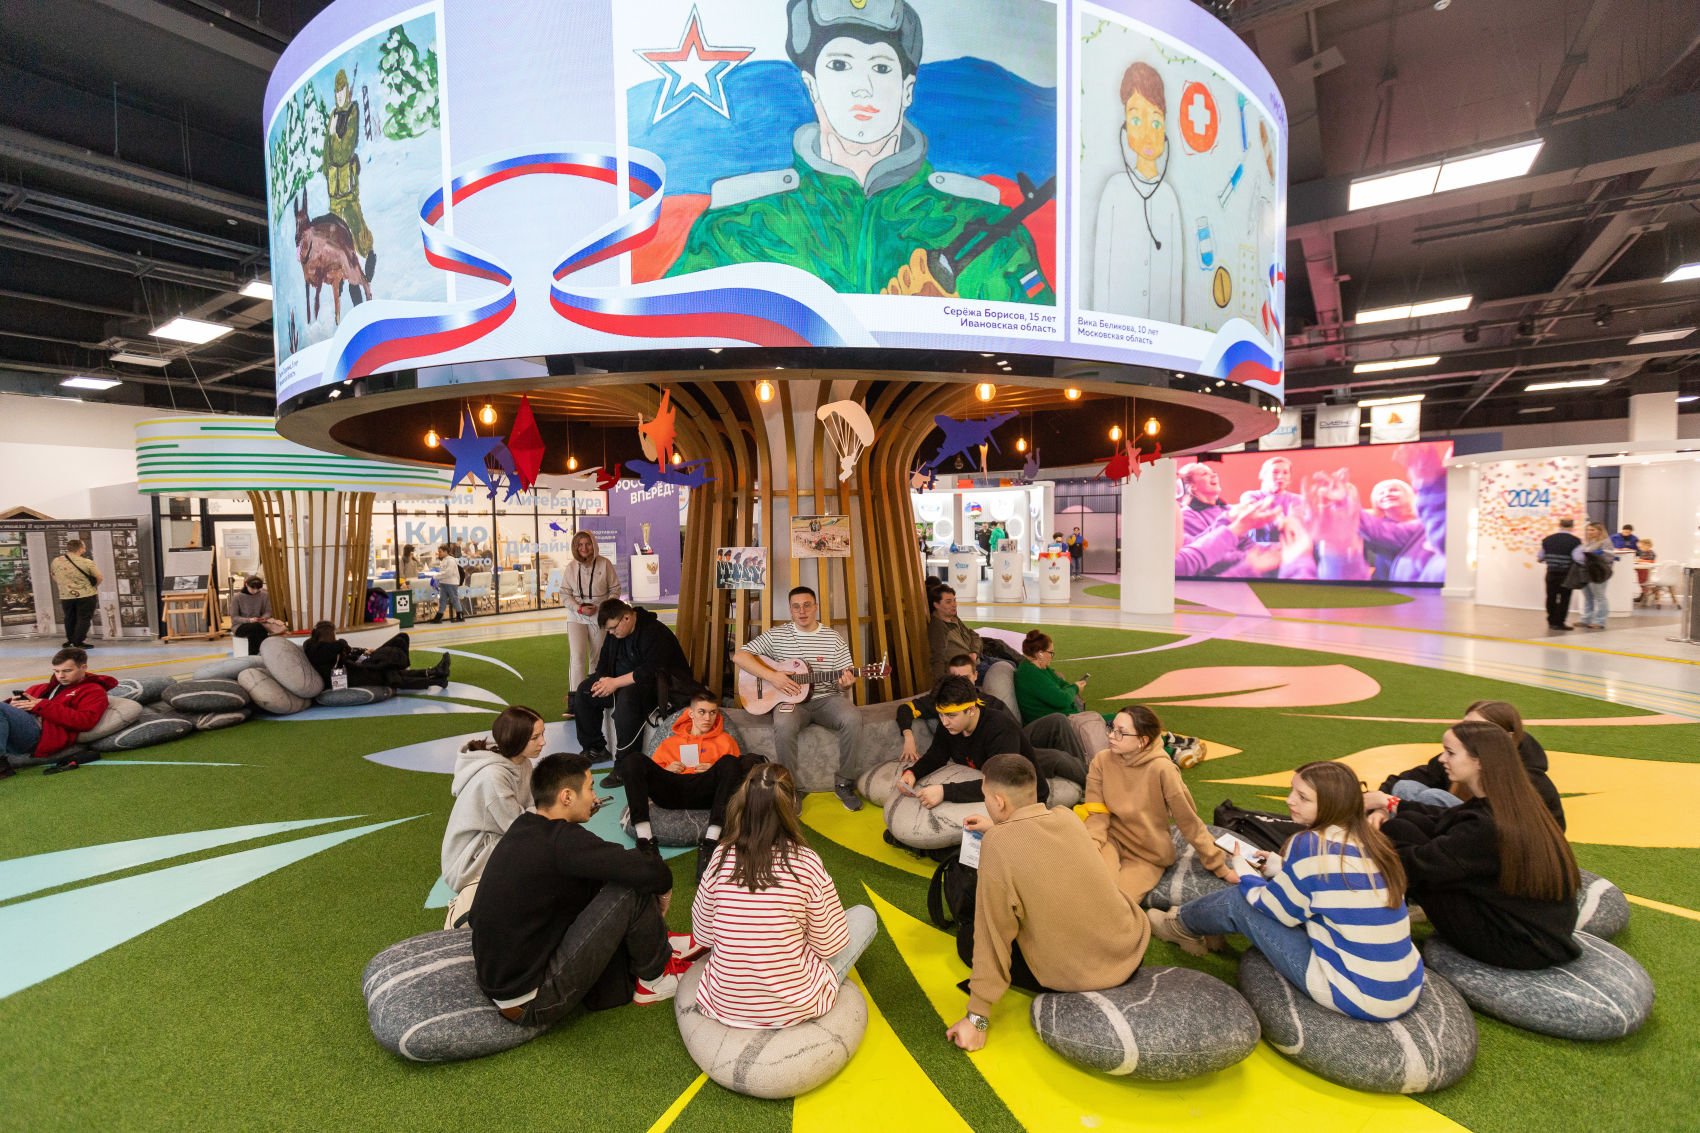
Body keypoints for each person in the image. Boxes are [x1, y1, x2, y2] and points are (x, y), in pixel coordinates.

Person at [666, 0, 1052, 305]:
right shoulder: (740, 226)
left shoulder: (988, 229)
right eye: (840, 64)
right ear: (812, 86)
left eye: (881, 68)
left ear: (907, 91)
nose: (862, 87)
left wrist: (946, 314)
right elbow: (674, 327)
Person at [1149, 762, 1424, 1021]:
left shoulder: (1310, 843)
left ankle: (1178, 925)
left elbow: (1275, 910)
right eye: (1293, 791)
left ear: (1331, 804)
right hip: (1405, 985)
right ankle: (1208, 929)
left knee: (1240, 901)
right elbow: (1329, 887)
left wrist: (1246, 873)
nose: (1290, 800)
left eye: (1303, 797)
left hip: (1356, 994)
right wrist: (1281, 867)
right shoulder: (1373, 843)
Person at [472, 753, 691, 1026]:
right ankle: (654, 979)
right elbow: (649, 870)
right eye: (590, 788)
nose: (594, 797)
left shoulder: (525, 827)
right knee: (629, 886)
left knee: (605, 875)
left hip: (503, 984)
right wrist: (664, 892)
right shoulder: (562, 842)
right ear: (566, 796)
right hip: (534, 1000)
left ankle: (659, 942)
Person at [947, 755, 1149, 1051]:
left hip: (1081, 975)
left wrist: (977, 1019)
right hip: (1130, 946)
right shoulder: (1066, 817)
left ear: (999, 801)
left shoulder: (997, 846)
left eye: (986, 797)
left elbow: (993, 935)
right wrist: (998, 827)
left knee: (968, 939)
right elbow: (1033, 839)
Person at [1374, 721, 1581, 970]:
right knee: (1404, 827)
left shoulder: (1487, 825)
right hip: (1538, 929)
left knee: (1400, 849)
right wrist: (1389, 804)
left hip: (1518, 943)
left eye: (1450, 753)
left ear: (1479, 760)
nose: (1441, 759)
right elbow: (1443, 819)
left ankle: (1374, 924)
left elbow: (1420, 865)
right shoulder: (1510, 801)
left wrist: (1373, 839)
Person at [691, 763, 877, 1028]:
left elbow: (703, 935)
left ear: (742, 802)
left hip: (725, 1004)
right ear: (791, 805)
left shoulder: (720, 855)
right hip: (794, 1004)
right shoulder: (806, 861)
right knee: (864, 915)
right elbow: (829, 946)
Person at [1083, 706, 1235, 907]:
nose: (1111, 736)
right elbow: (1096, 812)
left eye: (1121, 732)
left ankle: (1155, 921)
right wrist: (1092, 845)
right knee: (1091, 891)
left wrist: (1220, 867)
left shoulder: (1163, 769)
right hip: (1110, 840)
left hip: (1148, 853)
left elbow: (1189, 822)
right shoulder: (1101, 760)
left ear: (1142, 740)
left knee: (1116, 906)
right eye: (1111, 728)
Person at [731, 586, 865, 811]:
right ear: (790, 610)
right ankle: (789, 787)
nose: (802, 611)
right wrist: (773, 677)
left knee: (853, 718)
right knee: (783, 724)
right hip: (790, 701)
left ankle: (844, 782)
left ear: (816, 607)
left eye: (807, 605)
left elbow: (844, 677)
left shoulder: (833, 638)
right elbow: (740, 656)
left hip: (826, 699)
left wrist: (846, 683)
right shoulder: (777, 635)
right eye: (796, 607)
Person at [624, 691, 762, 873]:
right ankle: (646, 842)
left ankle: (711, 842)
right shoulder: (670, 742)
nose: (707, 718)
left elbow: (734, 779)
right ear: (691, 713)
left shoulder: (726, 740)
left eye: (713, 712)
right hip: (670, 791)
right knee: (633, 760)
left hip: (706, 792)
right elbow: (650, 773)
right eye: (702, 712)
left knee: (732, 762)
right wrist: (666, 769)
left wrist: (714, 769)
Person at [1372, 699, 1565, 829]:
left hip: (1497, 841)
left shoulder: (1529, 780)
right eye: (1464, 726)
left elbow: (1494, 825)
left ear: (1505, 737)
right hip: (1468, 826)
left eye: (1477, 729)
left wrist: (1394, 805)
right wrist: (1382, 807)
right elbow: (1404, 780)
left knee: (1431, 797)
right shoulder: (1458, 757)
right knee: (1406, 787)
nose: (1464, 733)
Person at [1091, 61, 1184, 323]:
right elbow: (1102, 272)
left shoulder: (1168, 198)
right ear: (1126, 126)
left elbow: (1174, 282)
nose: (1147, 133)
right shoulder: (1114, 190)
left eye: (1155, 121)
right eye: (1135, 120)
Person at [441, 706, 545, 929]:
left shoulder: (522, 762)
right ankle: (464, 907)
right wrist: (555, 810)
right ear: (517, 739)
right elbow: (519, 826)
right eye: (535, 737)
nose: (543, 742)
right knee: (538, 847)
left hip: (494, 839)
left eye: (542, 734)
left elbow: (531, 809)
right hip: (468, 861)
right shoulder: (493, 776)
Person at [575, 599, 695, 776]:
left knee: (627, 700)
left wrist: (615, 683)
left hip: (657, 686)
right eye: (608, 630)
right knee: (585, 691)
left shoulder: (655, 632)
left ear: (627, 617)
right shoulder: (614, 634)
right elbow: (604, 661)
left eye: (613, 628)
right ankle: (595, 748)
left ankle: (625, 765)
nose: (611, 633)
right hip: (622, 682)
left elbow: (651, 670)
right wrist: (602, 680)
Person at [898, 675, 1055, 806]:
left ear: (971, 710)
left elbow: (1000, 783)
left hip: (1026, 799)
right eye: (940, 714)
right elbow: (936, 755)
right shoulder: (950, 726)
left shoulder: (1000, 727)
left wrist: (944, 791)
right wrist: (913, 772)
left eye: (951, 715)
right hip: (995, 789)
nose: (944, 722)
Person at [1, 647, 115, 770]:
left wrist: (42, 706)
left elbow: (85, 722)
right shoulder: (40, 688)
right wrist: (12, 705)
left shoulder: (93, 690)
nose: (61, 676)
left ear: (83, 668)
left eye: (67, 671)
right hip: (23, 730)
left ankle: (1, 766)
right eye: (56, 671)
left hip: (41, 736)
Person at [1175, 463, 1282, 578]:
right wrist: (1255, 559)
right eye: (1205, 474)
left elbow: (1247, 544)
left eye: (1213, 473)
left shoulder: (1229, 509)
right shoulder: (1188, 515)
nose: (1214, 475)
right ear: (1192, 487)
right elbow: (1207, 555)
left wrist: (1274, 549)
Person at [323, 68, 376, 284]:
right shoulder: (333, 116)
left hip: (347, 183)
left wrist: (335, 134)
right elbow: (327, 151)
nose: (339, 96)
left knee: (354, 219)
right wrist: (327, 171)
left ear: (347, 91)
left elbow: (344, 149)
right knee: (335, 230)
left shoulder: (352, 111)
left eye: (342, 91)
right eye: (337, 93)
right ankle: (342, 269)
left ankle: (368, 254)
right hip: (334, 185)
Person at [562, 531, 620, 714]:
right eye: (580, 544)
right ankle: (575, 701)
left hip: (598, 617)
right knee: (577, 656)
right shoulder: (571, 567)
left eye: (587, 543)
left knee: (597, 657)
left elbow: (615, 589)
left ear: (593, 544)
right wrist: (579, 608)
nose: (584, 548)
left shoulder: (605, 564)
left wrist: (602, 607)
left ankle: (594, 696)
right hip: (576, 616)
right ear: (575, 547)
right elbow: (564, 594)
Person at [303, 620, 448, 691]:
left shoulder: (319, 647)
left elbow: (345, 650)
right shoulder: (321, 651)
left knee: (401, 639)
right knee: (390, 670)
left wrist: (363, 652)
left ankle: (435, 675)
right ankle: (435, 677)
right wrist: (344, 646)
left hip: (362, 665)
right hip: (359, 674)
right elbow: (341, 646)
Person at [895, 653, 977, 765]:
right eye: (955, 678)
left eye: (966, 678)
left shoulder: (991, 704)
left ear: (975, 675)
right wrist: (909, 737)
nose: (960, 684)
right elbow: (905, 709)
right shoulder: (940, 700)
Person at [1012, 630, 1085, 724]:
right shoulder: (1031, 674)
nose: (1052, 656)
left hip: (1066, 718)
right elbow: (1062, 700)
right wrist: (1075, 688)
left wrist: (1070, 690)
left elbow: (1062, 683)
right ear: (1040, 654)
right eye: (1051, 652)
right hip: (1058, 724)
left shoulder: (1040, 667)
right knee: (1102, 719)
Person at [51, 538, 102, 650]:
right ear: (80, 549)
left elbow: (53, 575)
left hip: (66, 595)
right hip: (86, 595)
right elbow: (99, 577)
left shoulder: (56, 561)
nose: (85, 548)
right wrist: (94, 587)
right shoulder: (86, 562)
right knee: (84, 618)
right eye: (84, 546)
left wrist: (64, 585)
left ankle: (70, 640)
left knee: (69, 618)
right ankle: (78, 642)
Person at [926, 584, 984, 682]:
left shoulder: (953, 618)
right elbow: (937, 658)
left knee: (1008, 662)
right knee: (1005, 668)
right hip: (968, 670)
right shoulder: (938, 627)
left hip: (977, 660)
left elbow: (974, 635)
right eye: (948, 602)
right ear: (936, 605)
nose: (954, 604)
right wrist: (941, 685)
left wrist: (974, 652)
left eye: (954, 600)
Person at [1538, 518, 1582, 630]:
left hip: (1551, 573)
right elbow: (1578, 558)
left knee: (1551, 597)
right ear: (1572, 527)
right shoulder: (1575, 541)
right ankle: (1560, 622)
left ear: (1560, 525)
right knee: (1564, 598)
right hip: (1566, 574)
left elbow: (1540, 557)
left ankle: (1551, 621)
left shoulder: (1548, 539)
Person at [230, 576, 288, 655]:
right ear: (246, 584)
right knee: (256, 628)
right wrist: (249, 620)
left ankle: (255, 655)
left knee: (255, 630)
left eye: (258, 588)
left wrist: (263, 618)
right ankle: (264, 653)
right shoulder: (237, 597)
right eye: (252, 588)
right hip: (240, 626)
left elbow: (268, 611)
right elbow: (234, 617)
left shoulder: (264, 595)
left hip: (259, 623)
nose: (255, 591)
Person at [1575, 521, 1614, 629]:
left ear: (1600, 531)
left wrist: (1596, 556)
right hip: (1586, 572)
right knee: (1588, 597)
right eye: (1588, 530)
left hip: (1598, 573)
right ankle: (1586, 619)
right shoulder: (1588, 542)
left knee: (1600, 597)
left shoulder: (1606, 542)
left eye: (1592, 530)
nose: (1589, 532)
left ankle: (1600, 621)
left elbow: (1609, 558)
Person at [430, 544, 465, 623]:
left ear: (446, 551)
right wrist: (438, 578)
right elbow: (443, 572)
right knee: (442, 600)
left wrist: (436, 576)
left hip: (451, 583)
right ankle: (438, 617)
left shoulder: (451, 561)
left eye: (440, 552)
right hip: (443, 583)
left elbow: (448, 573)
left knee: (454, 599)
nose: (439, 553)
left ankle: (460, 616)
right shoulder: (443, 560)